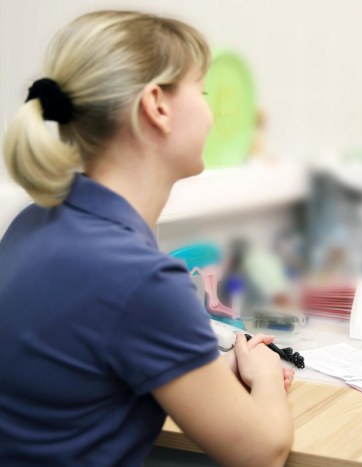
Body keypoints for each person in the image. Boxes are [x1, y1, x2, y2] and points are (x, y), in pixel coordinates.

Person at [0, 11, 294, 466]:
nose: (211, 111)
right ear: (157, 105)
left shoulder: (33, 222)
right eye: (203, 91)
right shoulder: (138, 276)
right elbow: (264, 453)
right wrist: (267, 373)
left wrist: (208, 370)